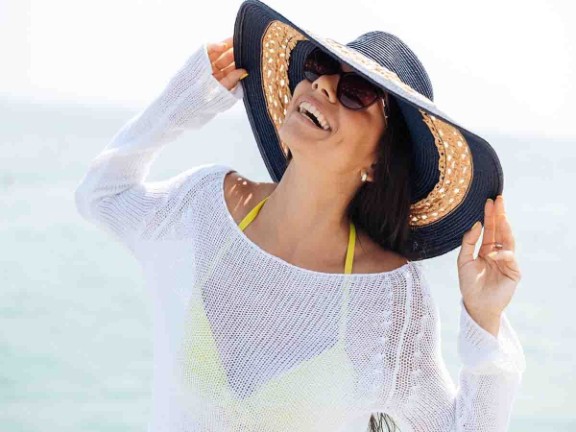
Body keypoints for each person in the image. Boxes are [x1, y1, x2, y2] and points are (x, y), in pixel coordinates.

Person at [74, 1, 526, 431]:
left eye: (357, 91)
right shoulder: (205, 207)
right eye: (317, 68)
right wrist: (186, 99)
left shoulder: (390, 301)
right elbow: (102, 195)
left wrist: (484, 318)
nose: (323, 85)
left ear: (379, 160)